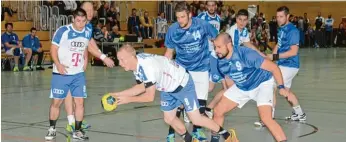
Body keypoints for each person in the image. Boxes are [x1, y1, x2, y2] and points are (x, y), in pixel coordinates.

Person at [111, 45, 238, 142]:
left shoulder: (148, 67)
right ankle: (190, 140)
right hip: (168, 88)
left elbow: (149, 97)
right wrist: (119, 95)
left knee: (196, 119)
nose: (120, 63)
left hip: (182, 84)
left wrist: (128, 99)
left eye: (122, 60)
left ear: (132, 57)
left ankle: (227, 135)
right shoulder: (137, 65)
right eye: (118, 60)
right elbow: (140, 87)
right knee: (169, 118)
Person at [211, 33, 292, 142]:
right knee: (217, 111)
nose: (216, 50)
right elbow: (230, 81)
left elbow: (273, 67)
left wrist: (281, 87)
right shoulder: (221, 62)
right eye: (215, 47)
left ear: (229, 45)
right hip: (242, 86)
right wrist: (231, 98)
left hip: (262, 83)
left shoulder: (246, 54)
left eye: (219, 47)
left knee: (266, 118)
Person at [164, 2, 218, 141]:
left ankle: (197, 131)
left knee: (200, 105)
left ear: (190, 15)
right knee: (179, 104)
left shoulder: (202, 24)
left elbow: (216, 40)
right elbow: (169, 52)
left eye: (183, 17)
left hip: (201, 68)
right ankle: (171, 133)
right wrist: (163, 71)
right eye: (178, 17)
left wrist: (216, 66)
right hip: (182, 69)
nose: (180, 20)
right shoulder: (173, 30)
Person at [63, 1, 116, 134]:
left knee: (78, 95)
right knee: (69, 94)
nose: (91, 12)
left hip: (77, 65)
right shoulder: (75, 26)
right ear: (81, 11)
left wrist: (86, 59)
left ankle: (77, 120)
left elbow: (88, 44)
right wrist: (104, 58)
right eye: (88, 9)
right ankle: (71, 122)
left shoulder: (88, 27)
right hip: (66, 64)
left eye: (92, 9)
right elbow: (90, 46)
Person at [45, 8, 91, 141]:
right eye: (78, 20)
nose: (80, 23)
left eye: (83, 21)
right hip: (62, 73)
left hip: (78, 74)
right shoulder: (63, 31)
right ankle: (52, 128)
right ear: (73, 19)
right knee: (56, 102)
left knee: (80, 103)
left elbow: (85, 46)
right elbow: (53, 49)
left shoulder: (87, 31)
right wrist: (58, 64)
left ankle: (77, 130)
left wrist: (86, 59)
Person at [267, 6, 306, 122]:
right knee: (285, 92)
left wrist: (274, 57)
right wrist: (270, 59)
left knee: (271, 86)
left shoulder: (293, 31)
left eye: (281, 17)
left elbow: (294, 51)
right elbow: (278, 45)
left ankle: (269, 118)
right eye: (277, 17)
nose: (278, 19)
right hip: (282, 64)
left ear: (287, 16)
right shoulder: (281, 29)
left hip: (289, 65)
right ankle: (300, 114)